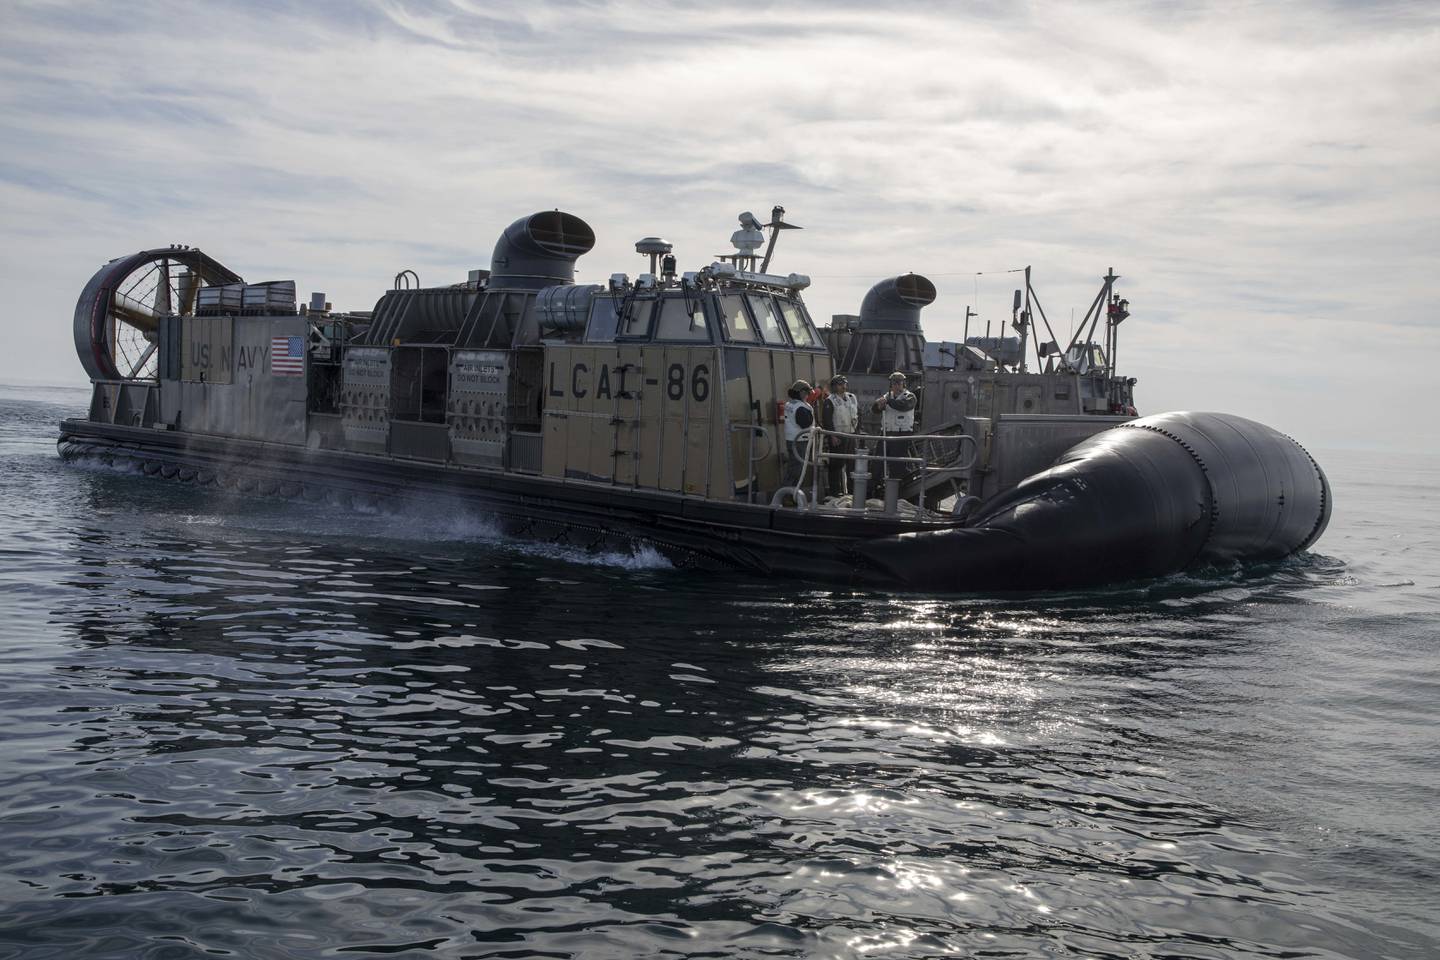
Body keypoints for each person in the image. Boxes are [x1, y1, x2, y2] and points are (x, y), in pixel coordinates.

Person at [872, 371, 917, 484]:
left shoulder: (910, 397)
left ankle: (898, 490)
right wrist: (878, 405)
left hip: (901, 435)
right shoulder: (886, 397)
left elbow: (903, 405)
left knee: (897, 466)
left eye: (899, 383)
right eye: (894, 383)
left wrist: (887, 401)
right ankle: (875, 488)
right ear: (891, 384)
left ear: (903, 384)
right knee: (878, 463)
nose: (897, 385)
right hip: (886, 434)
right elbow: (874, 410)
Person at [821, 374, 859, 496]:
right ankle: (835, 492)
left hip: (851, 435)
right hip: (838, 436)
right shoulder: (830, 401)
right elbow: (827, 420)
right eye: (840, 384)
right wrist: (832, 436)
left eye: (844, 384)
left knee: (852, 465)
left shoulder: (852, 398)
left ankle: (852, 492)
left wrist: (858, 432)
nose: (843, 386)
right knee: (836, 465)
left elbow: (859, 415)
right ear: (834, 387)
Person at [781, 379, 815, 491]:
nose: (808, 395)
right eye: (807, 392)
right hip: (800, 440)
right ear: (802, 392)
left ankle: (790, 494)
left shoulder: (790, 404)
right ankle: (787, 495)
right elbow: (805, 423)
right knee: (797, 469)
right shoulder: (801, 407)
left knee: (794, 467)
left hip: (792, 439)